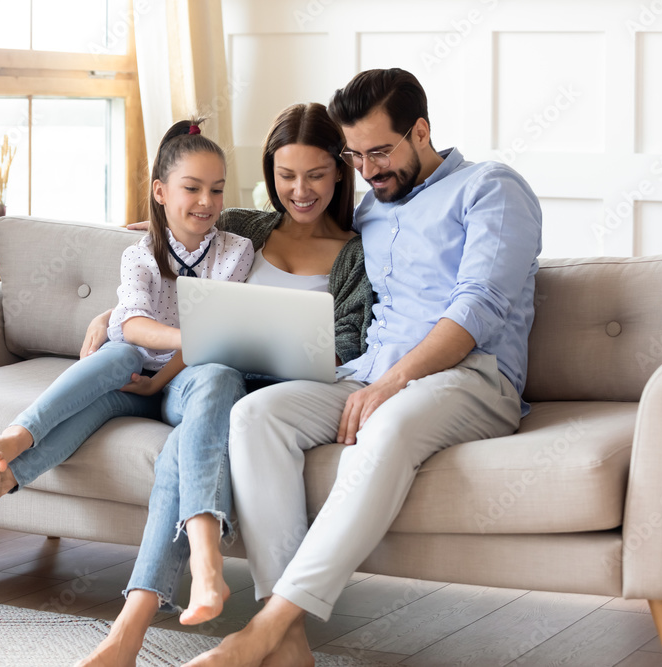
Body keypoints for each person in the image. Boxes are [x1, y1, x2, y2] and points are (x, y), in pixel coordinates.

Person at [186, 68, 543, 667]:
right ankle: (291, 645)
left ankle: (265, 628)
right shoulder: (373, 212)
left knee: (390, 425)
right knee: (255, 416)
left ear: (421, 130)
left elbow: (479, 305)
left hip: (473, 376)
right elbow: (207, 234)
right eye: (355, 156)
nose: (370, 171)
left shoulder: (491, 188)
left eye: (381, 151)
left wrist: (393, 383)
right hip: (370, 371)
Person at [77, 102, 374, 667]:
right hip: (211, 379)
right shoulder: (243, 225)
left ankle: (129, 634)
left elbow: (352, 343)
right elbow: (160, 246)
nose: (300, 191)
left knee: (182, 448)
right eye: (286, 176)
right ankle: (137, 628)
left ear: (340, 171)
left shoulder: (357, 252)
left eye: (315, 174)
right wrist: (112, 316)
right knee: (187, 437)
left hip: (281, 394)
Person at [0, 118, 255, 632]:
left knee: (219, 375)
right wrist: (179, 339)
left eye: (216, 190)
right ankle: (9, 452)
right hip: (128, 379)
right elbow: (135, 323)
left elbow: (210, 343)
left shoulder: (235, 251)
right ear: (161, 192)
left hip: (179, 382)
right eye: (191, 188)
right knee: (116, 356)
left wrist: (161, 378)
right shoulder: (140, 254)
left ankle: (205, 564)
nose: (206, 201)